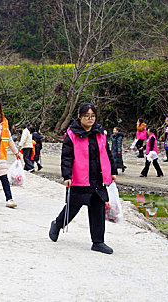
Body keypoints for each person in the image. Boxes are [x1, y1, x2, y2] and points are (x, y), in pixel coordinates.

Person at [48, 103, 118, 254]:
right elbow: (66, 157)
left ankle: (98, 242)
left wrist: (112, 171)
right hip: (79, 178)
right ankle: (57, 224)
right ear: (79, 117)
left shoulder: (100, 133)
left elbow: (107, 153)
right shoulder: (72, 134)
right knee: (72, 208)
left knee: (98, 210)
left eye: (92, 116)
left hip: (97, 178)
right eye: (87, 116)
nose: (90, 119)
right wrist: (67, 176)